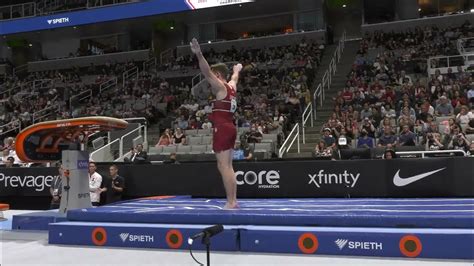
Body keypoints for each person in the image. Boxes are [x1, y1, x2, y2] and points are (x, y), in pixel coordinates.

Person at [190, 38, 241, 209]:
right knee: (228, 165)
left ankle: (231, 202)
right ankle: (233, 200)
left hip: (223, 128)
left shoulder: (220, 87)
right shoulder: (232, 86)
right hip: (230, 127)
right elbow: (235, 77)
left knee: (223, 166)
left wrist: (199, 54)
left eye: (213, 76)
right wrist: (237, 69)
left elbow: (206, 71)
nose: (209, 81)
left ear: (218, 76)